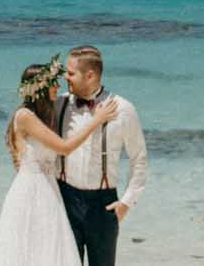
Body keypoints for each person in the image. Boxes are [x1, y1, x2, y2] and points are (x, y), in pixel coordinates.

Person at [0, 56, 123, 266]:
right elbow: (64, 147)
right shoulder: (25, 116)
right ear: (39, 88)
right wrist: (97, 120)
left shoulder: (44, 116)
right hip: (33, 190)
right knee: (31, 249)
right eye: (53, 83)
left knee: (49, 249)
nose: (58, 86)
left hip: (50, 189)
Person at [52, 45, 147, 265]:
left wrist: (126, 202)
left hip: (103, 204)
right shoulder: (60, 104)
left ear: (90, 75)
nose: (65, 77)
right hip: (65, 199)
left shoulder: (123, 109)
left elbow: (138, 159)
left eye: (71, 73)